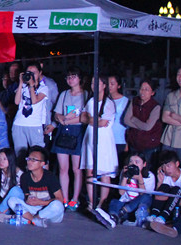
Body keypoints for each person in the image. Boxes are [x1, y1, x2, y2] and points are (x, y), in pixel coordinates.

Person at [80, 75, 118, 222]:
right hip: (90, 137)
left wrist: (91, 119)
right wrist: (93, 119)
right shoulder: (90, 101)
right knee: (89, 170)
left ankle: (102, 202)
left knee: (104, 172)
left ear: (104, 85)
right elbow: (83, 118)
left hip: (103, 140)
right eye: (92, 83)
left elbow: (102, 123)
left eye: (97, 83)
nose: (93, 85)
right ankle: (91, 201)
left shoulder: (109, 103)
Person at [51, 68, 88, 211]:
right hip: (63, 131)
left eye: (73, 76)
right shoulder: (64, 94)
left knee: (77, 169)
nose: (70, 79)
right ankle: (65, 198)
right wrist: (61, 118)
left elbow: (84, 117)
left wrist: (67, 120)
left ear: (80, 78)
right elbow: (57, 114)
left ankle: (75, 199)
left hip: (78, 131)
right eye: (68, 77)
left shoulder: (86, 95)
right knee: (63, 168)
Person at [3, 145, 65, 227]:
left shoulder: (50, 177)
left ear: (42, 163)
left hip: (49, 211)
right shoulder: (25, 177)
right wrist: (28, 200)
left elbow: (60, 199)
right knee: (12, 200)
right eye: (28, 159)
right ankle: (34, 220)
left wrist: (41, 202)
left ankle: (32, 219)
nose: (29, 162)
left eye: (33, 160)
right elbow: (27, 196)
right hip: (34, 209)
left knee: (57, 205)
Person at [104, 151, 155, 228]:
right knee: (114, 201)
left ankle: (121, 214)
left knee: (146, 197)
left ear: (144, 164)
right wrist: (125, 176)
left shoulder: (150, 176)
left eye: (137, 162)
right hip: (125, 204)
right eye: (131, 162)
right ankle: (113, 218)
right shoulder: (125, 172)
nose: (133, 164)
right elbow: (121, 193)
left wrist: (140, 179)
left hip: (137, 208)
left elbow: (143, 195)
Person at [148, 150, 181, 226]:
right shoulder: (165, 176)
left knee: (176, 189)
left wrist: (172, 198)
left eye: (168, 165)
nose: (166, 169)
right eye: (163, 166)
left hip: (180, 208)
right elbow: (157, 197)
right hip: (167, 205)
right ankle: (154, 215)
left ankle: (163, 217)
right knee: (165, 187)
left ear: (177, 164)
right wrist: (159, 182)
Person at [11, 61, 49, 154]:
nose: (31, 75)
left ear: (40, 73)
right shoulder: (23, 87)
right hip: (19, 124)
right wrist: (20, 83)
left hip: (34, 124)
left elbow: (34, 101)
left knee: (38, 153)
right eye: (29, 73)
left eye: (34, 73)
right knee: (20, 154)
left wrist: (32, 85)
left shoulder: (43, 88)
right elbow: (16, 102)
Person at [124, 78, 163, 165]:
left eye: (146, 89)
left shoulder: (155, 106)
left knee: (147, 168)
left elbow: (148, 127)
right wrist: (142, 125)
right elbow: (126, 120)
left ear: (152, 92)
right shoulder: (134, 101)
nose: (143, 92)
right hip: (134, 142)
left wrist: (133, 119)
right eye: (141, 89)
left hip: (149, 145)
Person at [108, 75, 129, 158]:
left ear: (119, 86)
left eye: (112, 84)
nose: (109, 86)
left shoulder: (125, 101)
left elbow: (128, 123)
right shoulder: (104, 99)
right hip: (106, 137)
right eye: (108, 83)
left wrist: (127, 142)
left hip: (120, 138)